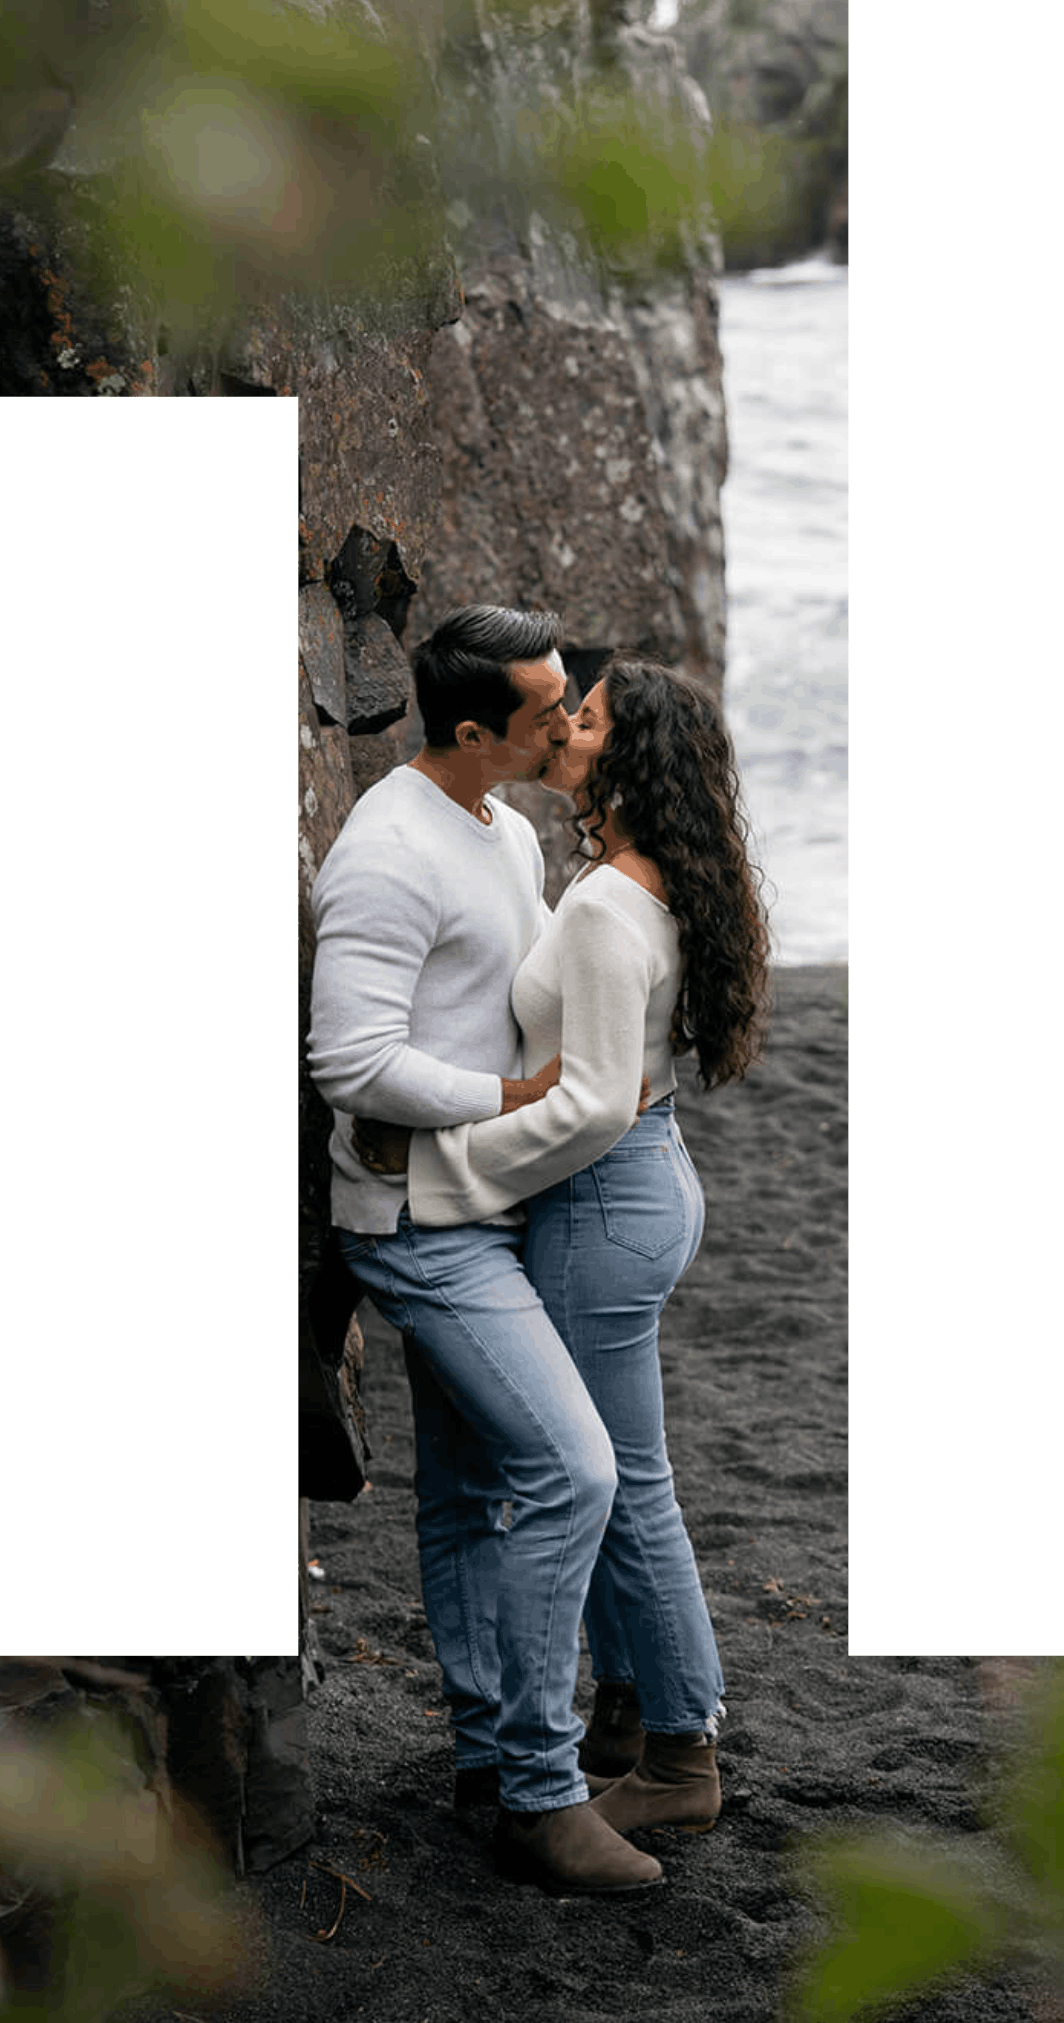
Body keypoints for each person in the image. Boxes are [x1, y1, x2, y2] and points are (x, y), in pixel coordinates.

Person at [307, 605, 771, 1898]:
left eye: (580, 705)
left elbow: (575, 1056)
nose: (569, 719)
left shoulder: (510, 834)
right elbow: (348, 1060)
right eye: (548, 708)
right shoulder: (390, 857)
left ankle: (494, 1753)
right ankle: (535, 1782)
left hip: (501, 1204)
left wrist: (519, 1126)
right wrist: (500, 1115)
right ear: (475, 730)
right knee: (577, 1471)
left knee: (472, 1491)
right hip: (423, 1210)